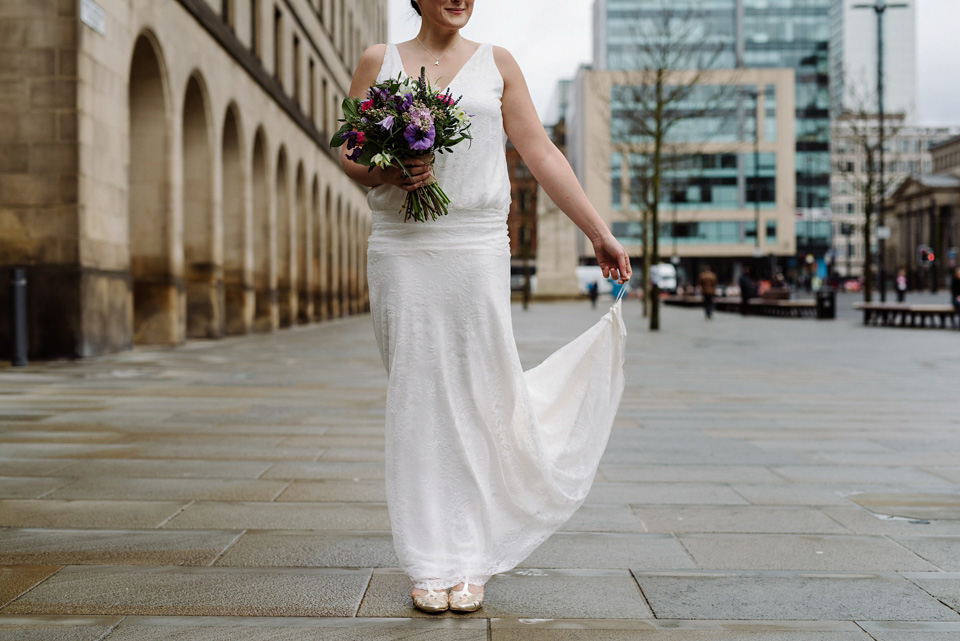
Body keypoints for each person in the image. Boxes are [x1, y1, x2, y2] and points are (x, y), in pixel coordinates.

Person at [339, 0, 632, 614]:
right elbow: (350, 154)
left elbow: (541, 153)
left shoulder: (498, 64)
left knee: (477, 394)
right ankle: (427, 562)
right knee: (418, 397)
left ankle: (469, 559)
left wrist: (596, 230)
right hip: (403, 248)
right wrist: (390, 172)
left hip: (474, 247)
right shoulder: (379, 60)